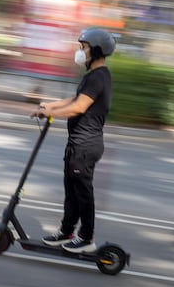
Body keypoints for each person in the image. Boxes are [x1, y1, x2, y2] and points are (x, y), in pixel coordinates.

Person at [30, 27, 116, 253]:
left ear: (96, 50)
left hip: (86, 145)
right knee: (72, 191)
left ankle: (86, 238)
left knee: (83, 193)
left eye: (84, 47)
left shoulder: (99, 76)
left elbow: (79, 107)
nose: (81, 51)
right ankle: (67, 231)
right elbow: (76, 98)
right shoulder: (93, 76)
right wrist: (51, 105)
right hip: (79, 144)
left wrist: (50, 114)